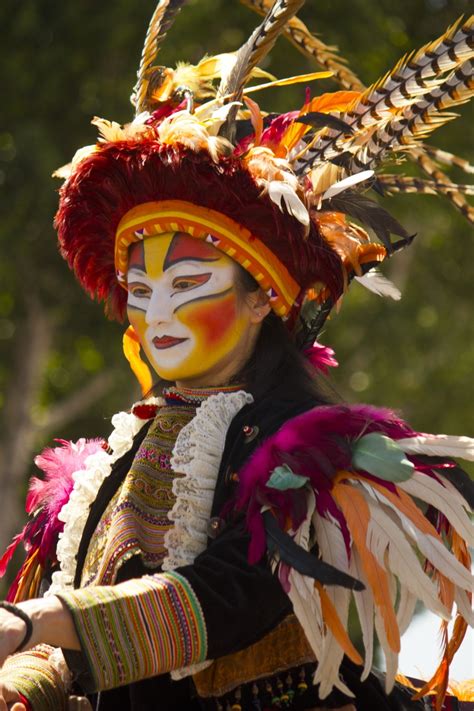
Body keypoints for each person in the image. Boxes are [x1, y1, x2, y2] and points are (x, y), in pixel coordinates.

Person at [0, 2, 473, 710]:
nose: (157, 312)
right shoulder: (103, 474)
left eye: (188, 285)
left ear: (262, 300)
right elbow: (67, 648)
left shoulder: (316, 461)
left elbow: (234, 595)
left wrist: (33, 621)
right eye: (140, 288)